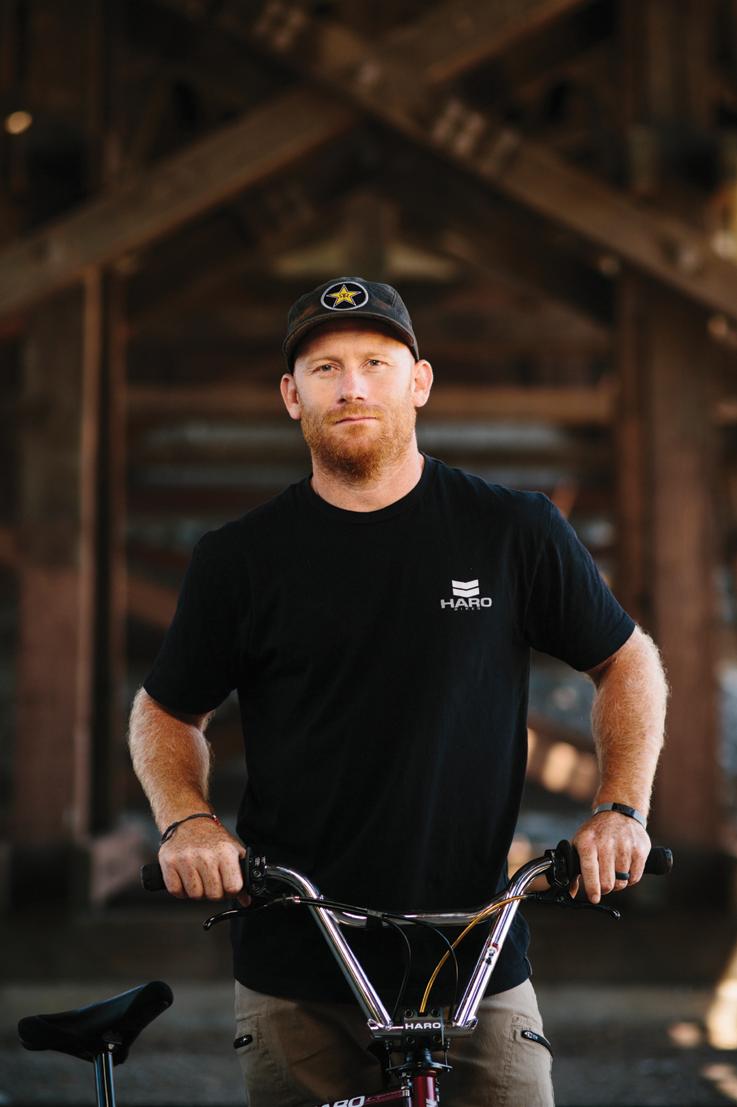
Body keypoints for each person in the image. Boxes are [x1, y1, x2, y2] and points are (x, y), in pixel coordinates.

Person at [128, 276, 668, 1107]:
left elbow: (626, 661)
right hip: (297, 968)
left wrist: (619, 808)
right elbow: (165, 709)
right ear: (291, 396)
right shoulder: (240, 559)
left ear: (418, 382)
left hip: (477, 954)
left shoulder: (512, 530)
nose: (351, 386)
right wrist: (188, 821)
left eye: (375, 363)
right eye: (325, 368)